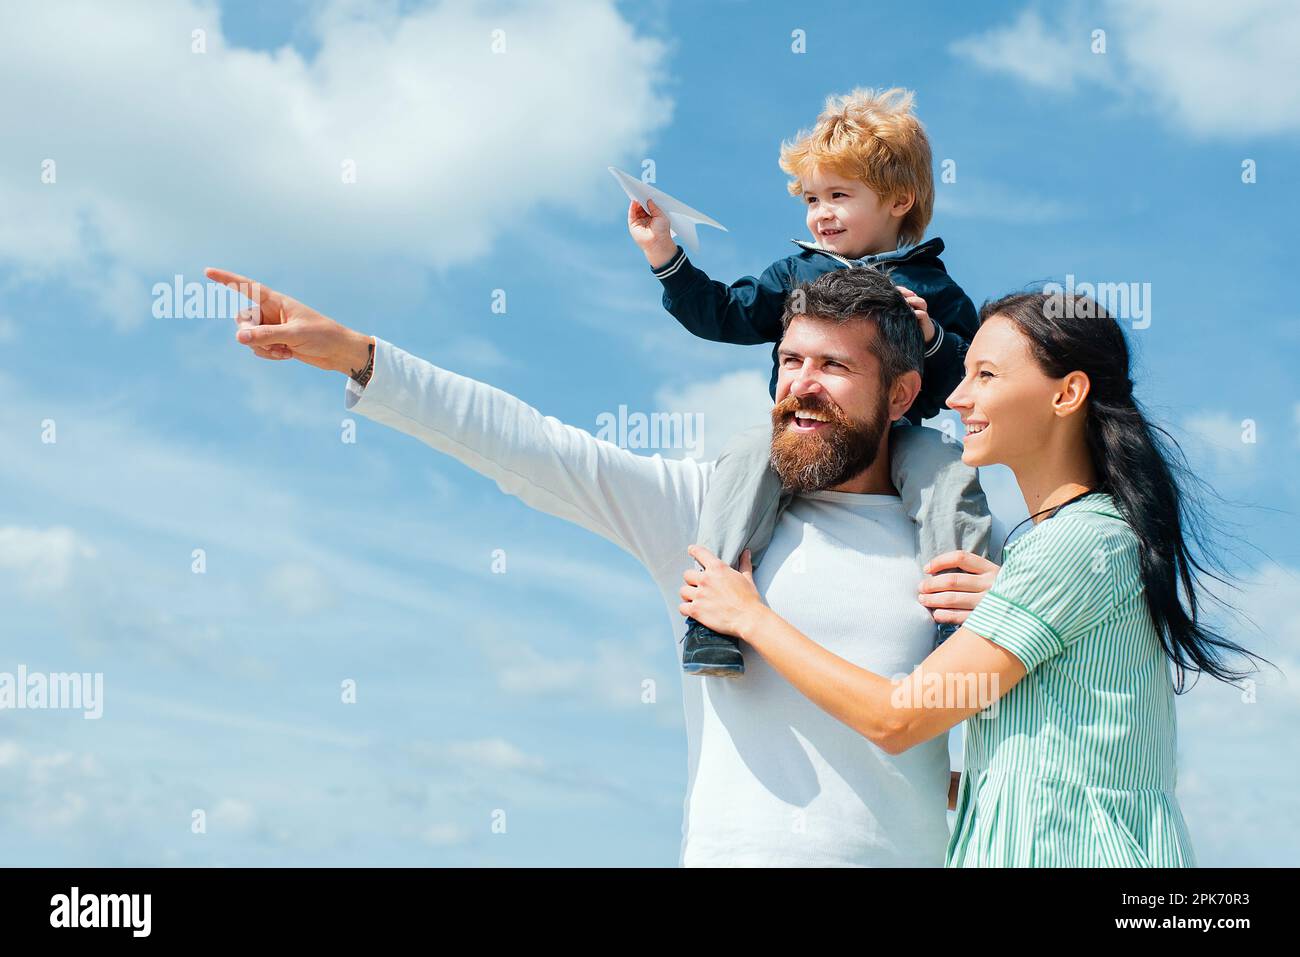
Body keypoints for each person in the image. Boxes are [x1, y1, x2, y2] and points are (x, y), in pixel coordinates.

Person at [207, 263, 992, 866]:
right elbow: (537, 449)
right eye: (790, 362)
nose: (799, 387)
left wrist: (1010, 609)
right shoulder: (708, 513)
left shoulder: (955, 551)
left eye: (833, 367)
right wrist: (359, 355)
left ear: (902, 395)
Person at [682, 289, 1271, 866]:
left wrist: (749, 618)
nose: (958, 398)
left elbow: (897, 718)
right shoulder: (1058, 549)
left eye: (986, 376)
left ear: (1068, 393)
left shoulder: (1078, 543)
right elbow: (1051, 772)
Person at [628, 87, 991, 676]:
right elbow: (726, 314)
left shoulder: (938, 291)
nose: (821, 212)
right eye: (812, 198)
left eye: (840, 196)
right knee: (748, 453)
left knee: (946, 470)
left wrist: (929, 339)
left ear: (899, 199)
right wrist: (665, 255)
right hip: (801, 430)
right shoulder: (796, 272)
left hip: (894, 434)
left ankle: (955, 624)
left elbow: (969, 380)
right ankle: (710, 620)